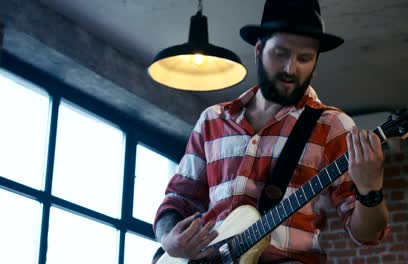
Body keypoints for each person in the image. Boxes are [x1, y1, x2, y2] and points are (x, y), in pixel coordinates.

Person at [153, 0, 390, 263]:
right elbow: (178, 198)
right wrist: (168, 239)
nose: (291, 69)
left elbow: (367, 235)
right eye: (281, 53)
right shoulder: (213, 120)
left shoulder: (333, 125)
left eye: (304, 58)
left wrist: (370, 190)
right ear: (259, 49)